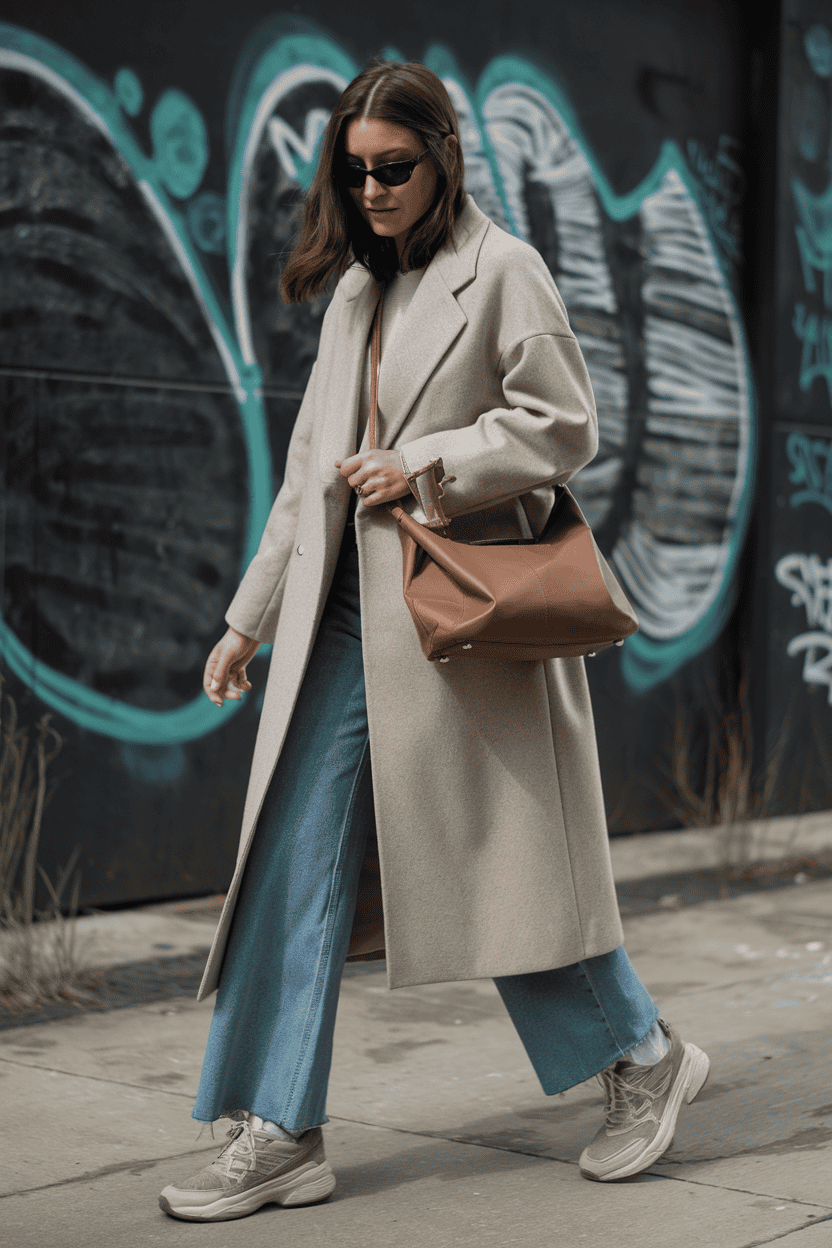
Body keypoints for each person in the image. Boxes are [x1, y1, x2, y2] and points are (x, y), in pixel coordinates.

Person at [159, 59, 709, 1223]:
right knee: (285, 863)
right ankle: (278, 1127)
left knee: (493, 867)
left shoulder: (500, 270)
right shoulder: (356, 292)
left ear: (442, 157)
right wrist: (245, 619)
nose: (372, 191)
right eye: (353, 173)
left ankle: (643, 1059)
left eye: (393, 169)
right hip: (339, 624)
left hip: (452, 618)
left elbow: (565, 426)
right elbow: (309, 472)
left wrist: (429, 463)